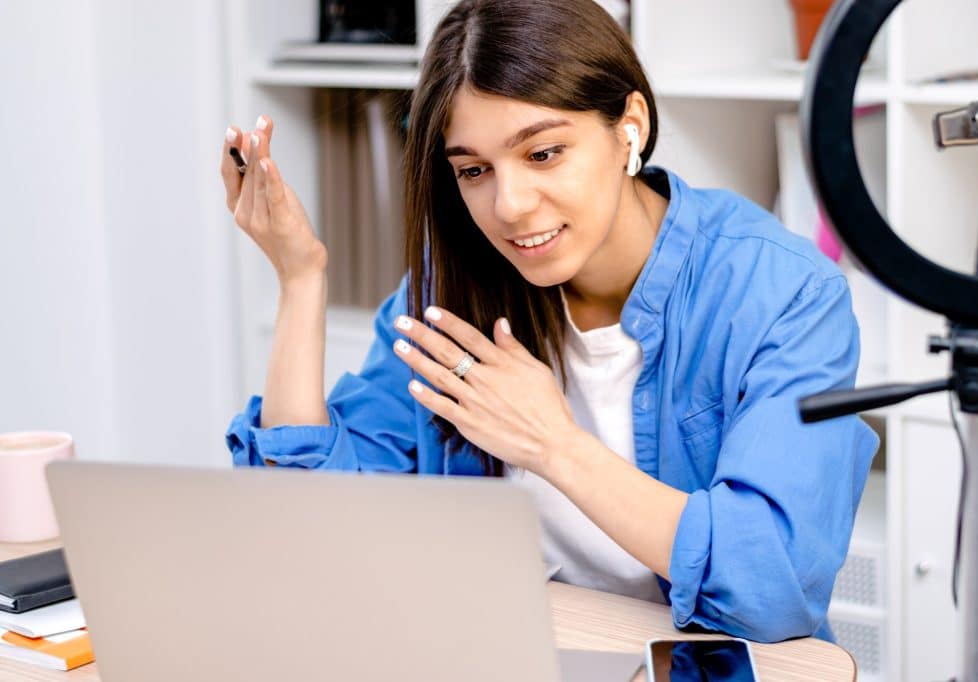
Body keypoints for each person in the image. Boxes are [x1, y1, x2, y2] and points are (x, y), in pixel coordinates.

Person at [220, 0, 878, 643]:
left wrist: (554, 446)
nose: (509, 206)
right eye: (474, 170)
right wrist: (300, 279)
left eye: (542, 154)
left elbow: (773, 589)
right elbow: (311, 525)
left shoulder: (779, 291)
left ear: (630, 126)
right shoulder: (452, 284)